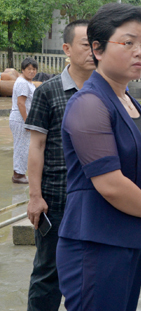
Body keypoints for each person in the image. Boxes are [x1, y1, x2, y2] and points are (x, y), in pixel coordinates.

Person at [56, 3, 141, 311]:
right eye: (128, 42)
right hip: (95, 243)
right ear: (97, 48)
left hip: (128, 239)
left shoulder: (127, 100)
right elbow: (109, 183)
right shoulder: (89, 104)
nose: (140, 52)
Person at [25, 20, 95, 311]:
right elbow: (36, 146)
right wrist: (34, 196)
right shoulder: (48, 92)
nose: (93, 50)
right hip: (57, 197)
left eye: (97, 44)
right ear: (66, 48)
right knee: (48, 272)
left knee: (89, 273)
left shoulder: (107, 90)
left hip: (97, 198)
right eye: (86, 44)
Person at [10, 57, 38, 184]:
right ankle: (18, 175)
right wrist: (27, 122)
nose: (32, 72)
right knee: (22, 147)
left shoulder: (28, 82)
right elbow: (21, 103)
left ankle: (20, 173)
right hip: (21, 119)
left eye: (34, 69)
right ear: (22, 70)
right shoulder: (22, 83)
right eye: (29, 69)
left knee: (24, 146)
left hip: (22, 118)